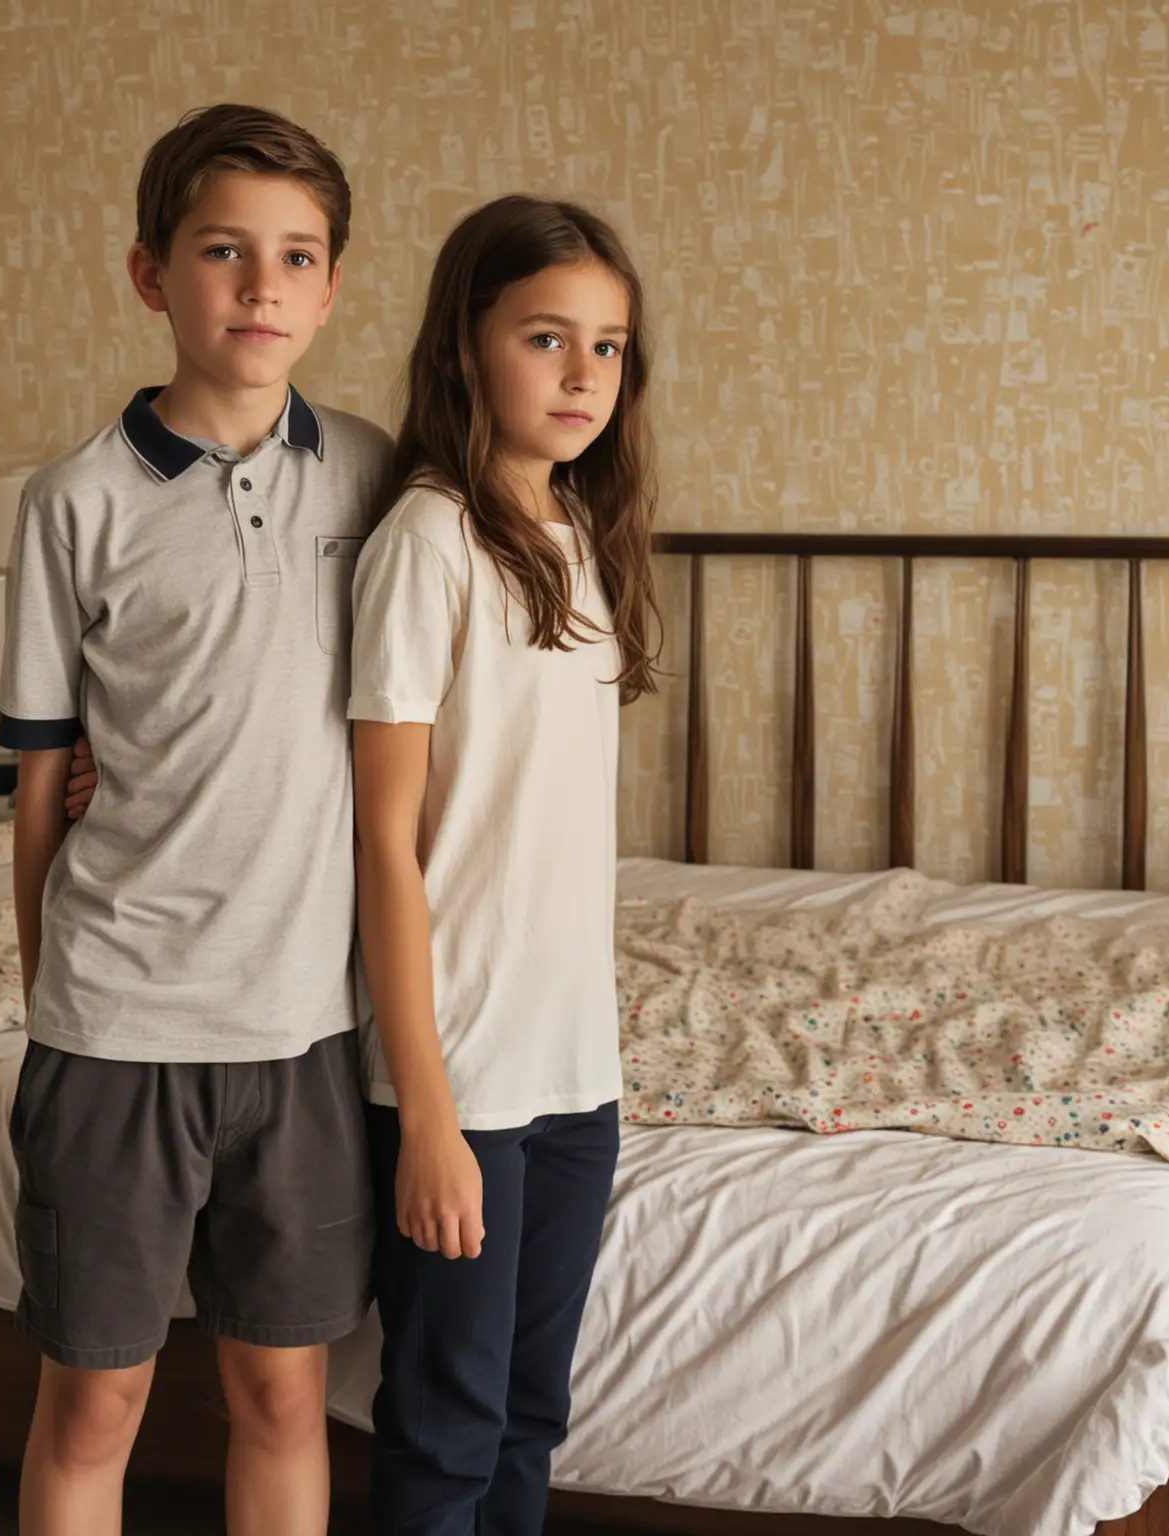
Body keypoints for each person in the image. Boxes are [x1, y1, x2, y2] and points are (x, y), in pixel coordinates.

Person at [0, 102, 392, 1536]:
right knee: (93, 1402)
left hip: (303, 1032)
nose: (262, 285)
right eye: (224, 251)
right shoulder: (73, 502)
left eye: (297, 256)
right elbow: (43, 779)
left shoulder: (375, 471)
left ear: (334, 285)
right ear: (151, 273)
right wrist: (54, 997)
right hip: (116, 1027)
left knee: (284, 1395)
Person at [348, 194, 660, 1534]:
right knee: (447, 1424)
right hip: (462, 1070)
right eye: (547, 338)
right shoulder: (428, 542)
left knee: (532, 1412)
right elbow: (384, 837)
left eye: (609, 346)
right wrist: (423, 1108)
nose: (585, 374)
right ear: (468, 346)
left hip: (573, 1064)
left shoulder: (576, 537)